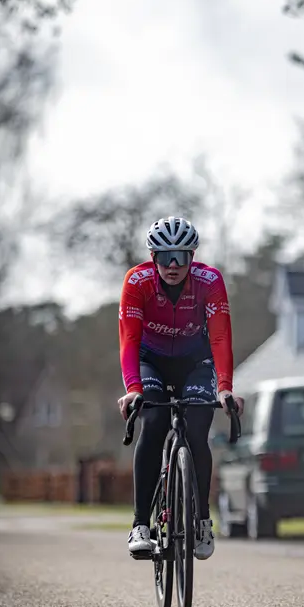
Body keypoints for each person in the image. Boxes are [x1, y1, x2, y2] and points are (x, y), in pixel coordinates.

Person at [117, 216, 243, 561]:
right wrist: (134, 388)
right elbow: (129, 339)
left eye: (182, 256)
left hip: (195, 362)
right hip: (151, 361)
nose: (173, 265)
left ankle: (201, 521)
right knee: (154, 423)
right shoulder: (137, 281)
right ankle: (141, 525)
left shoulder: (209, 281)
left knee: (198, 431)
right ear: (153, 257)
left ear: (193, 256)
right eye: (165, 256)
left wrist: (225, 388)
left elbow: (220, 336)